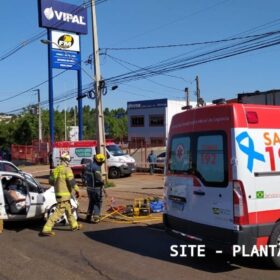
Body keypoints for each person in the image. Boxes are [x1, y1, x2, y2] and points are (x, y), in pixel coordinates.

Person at [40, 152, 82, 237]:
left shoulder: (55, 169)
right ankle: (46, 229)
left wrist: (58, 183)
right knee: (58, 212)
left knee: (68, 210)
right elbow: (72, 181)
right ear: (67, 160)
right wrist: (77, 190)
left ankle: (74, 225)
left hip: (58, 194)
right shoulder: (67, 169)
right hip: (65, 195)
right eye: (69, 160)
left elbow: (51, 182)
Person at [84, 153, 106, 224]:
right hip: (96, 188)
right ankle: (96, 218)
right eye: (102, 162)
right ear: (99, 161)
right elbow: (98, 178)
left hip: (89, 188)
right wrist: (102, 182)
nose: (102, 164)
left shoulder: (88, 166)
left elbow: (84, 177)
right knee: (97, 202)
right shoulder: (96, 168)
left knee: (91, 201)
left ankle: (88, 216)